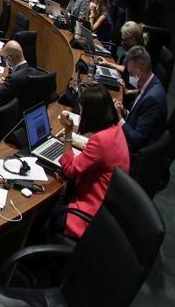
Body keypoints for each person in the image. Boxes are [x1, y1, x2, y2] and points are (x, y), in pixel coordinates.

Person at [55, 84, 129, 239]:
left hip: (90, 214)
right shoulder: (114, 129)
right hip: (108, 209)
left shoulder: (101, 140)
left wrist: (68, 133)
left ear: (91, 114)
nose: (80, 114)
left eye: (82, 110)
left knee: (48, 215)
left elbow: (70, 170)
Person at [118, 46, 167, 153]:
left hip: (133, 152)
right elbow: (138, 116)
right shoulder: (149, 84)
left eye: (131, 74)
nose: (130, 78)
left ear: (140, 71)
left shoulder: (152, 99)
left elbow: (137, 139)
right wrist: (124, 112)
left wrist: (119, 119)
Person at [0, 40, 40, 108]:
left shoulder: (13, 78)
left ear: (10, 58)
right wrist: (6, 83)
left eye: (5, 58)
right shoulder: (35, 71)